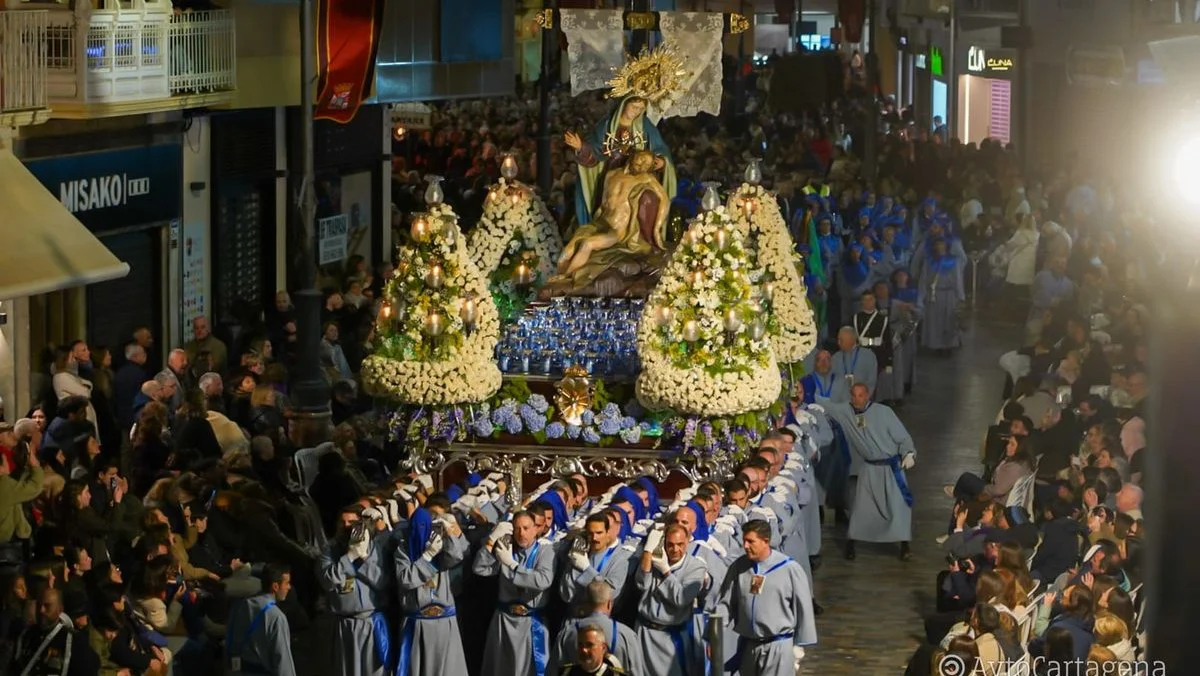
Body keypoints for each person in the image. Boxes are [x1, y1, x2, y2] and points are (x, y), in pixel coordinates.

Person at [825, 383, 917, 561]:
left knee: (899, 506)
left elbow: (903, 436)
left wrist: (909, 452)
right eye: (854, 395)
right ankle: (851, 543)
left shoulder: (884, 412)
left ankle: (905, 544)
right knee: (861, 508)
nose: (857, 399)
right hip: (869, 468)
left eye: (860, 395)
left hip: (891, 469)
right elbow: (826, 406)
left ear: (868, 395)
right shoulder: (846, 412)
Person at [717, 520, 816, 676]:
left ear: (766, 541)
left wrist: (798, 645)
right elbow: (726, 603)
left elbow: (803, 608)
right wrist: (714, 635)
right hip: (749, 645)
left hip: (778, 646)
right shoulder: (739, 567)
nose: (745, 546)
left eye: (751, 541)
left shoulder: (789, 569)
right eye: (744, 541)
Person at [472, 511, 557, 676]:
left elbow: (542, 581)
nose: (521, 533)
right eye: (517, 529)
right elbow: (479, 569)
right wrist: (491, 542)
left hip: (531, 621)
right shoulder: (506, 548)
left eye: (526, 528)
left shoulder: (546, 551)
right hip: (504, 619)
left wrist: (512, 565)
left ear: (535, 529)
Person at [318, 506, 394, 676]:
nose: (346, 526)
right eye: (342, 522)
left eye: (351, 522)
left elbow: (382, 581)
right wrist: (349, 558)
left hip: (371, 621)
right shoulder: (329, 549)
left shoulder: (374, 547)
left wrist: (363, 558)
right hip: (345, 624)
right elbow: (328, 580)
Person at [394, 506, 470, 676]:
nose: (420, 532)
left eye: (424, 526)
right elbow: (406, 579)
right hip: (417, 622)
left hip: (444, 621)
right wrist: (427, 557)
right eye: (416, 527)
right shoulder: (403, 550)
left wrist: (449, 534)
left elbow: (456, 557)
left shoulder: (439, 546)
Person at [635, 523, 708, 676]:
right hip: (645, 632)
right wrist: (648, 552)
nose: (675, 550)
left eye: (680, 544)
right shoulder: (655, 559)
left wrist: (666, 572)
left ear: (688, 541)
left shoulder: (696, 567)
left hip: (670, 635)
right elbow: (642, 584)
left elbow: (682, 598)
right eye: (670, 544)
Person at [549, 580, 642, 675]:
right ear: (610, 604)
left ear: (585, 603)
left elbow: (553, 671)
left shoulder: (567, 633)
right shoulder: (627, 635)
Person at [225, 564, 296, 676]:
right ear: (275, 586)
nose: (289, 587)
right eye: (287, 583)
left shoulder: (241, 606)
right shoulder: (277, 617)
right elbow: (282, 661)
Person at [560, 513, 634, 617]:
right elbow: (566, 594)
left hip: (598, 621)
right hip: (573, 618)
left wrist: (587, 569)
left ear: (607, 532)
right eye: (591, 533)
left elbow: (611, 593)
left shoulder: (619, 561)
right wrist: (574, 567)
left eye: (599, 533)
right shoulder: (579, 556)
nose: (594, 538)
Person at [556, 623, 630, 675]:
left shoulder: (615, 674)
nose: (584, 649)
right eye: (580, 645)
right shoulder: (565, 673)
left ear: (603, 648)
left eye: (589, 645)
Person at [832, 326, 879, 399]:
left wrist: (863, 399)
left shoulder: (868, 356)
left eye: (841, 340)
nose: (838, 343)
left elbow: (871, 382)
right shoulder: (835, 358)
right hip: (840, 403)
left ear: (852, 339)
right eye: (838, 339)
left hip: (863, 402)